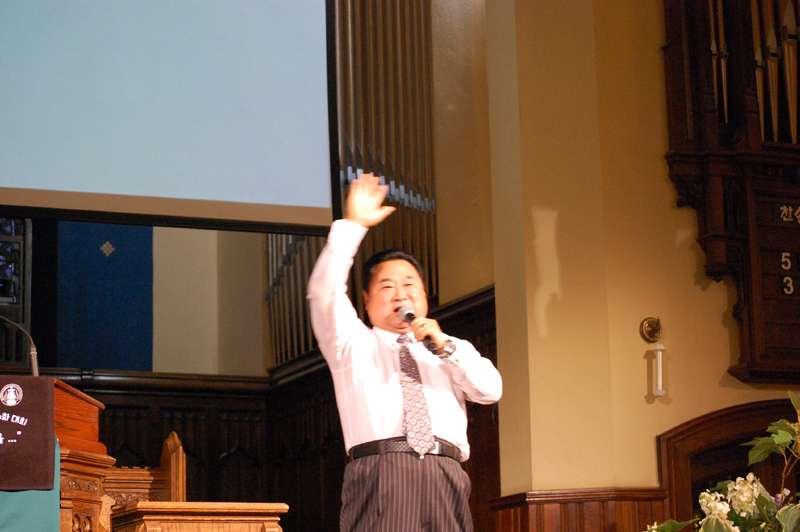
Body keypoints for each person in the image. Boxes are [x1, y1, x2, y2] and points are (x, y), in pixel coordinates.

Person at [307, 173, 503, 532]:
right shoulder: (352, 344)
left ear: (425, 296)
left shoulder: (449, 348)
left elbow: (490, 391)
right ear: (367, 300)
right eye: (387, 286)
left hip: (446, 474)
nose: (401, 294)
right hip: (382, 475)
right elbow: (324, 292)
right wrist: (352, 226)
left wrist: (445, 348)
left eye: (410, 284)